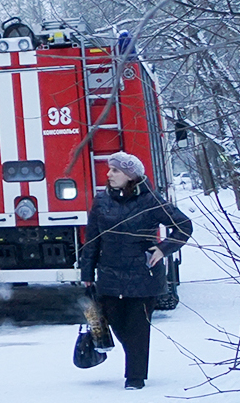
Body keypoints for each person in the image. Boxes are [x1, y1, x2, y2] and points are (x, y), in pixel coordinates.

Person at [78, 152, 191, 389]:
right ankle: (135, 360)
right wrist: (87, 274)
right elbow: (92, 240)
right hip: (109, 276)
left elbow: (183, 226)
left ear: (130, 175)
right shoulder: (101, 201)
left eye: (115, 170)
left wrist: (163, 249)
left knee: (138, 327)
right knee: (117, 323)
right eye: (109, 169)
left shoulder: (151, 201)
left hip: (143, 276)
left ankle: (135, 377)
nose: (108, 174)